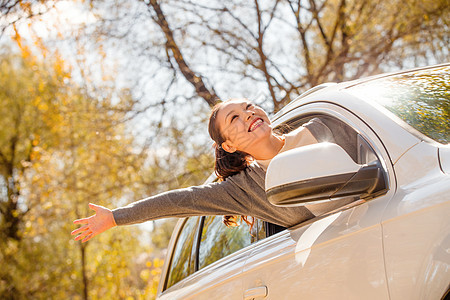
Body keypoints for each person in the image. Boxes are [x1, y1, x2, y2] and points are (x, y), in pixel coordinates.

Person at [72, 99, 350, 243]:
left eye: (249, 107)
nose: (248, 115)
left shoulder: (324, 128)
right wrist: (116, 217)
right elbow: (180, 201)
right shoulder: (246, 189)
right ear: (228, 145)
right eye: (235, 118)